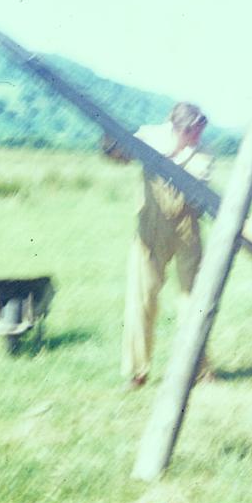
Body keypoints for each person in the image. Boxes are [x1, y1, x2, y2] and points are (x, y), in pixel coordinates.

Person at [101, 102, 214, 390]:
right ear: (181, 128)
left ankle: (198, 369)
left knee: (194, 301)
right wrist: (113, 142)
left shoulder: (203, 153)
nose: (199, 137)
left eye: (201, 132)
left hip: (187, 227)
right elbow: (117, 156)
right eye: (195, 132)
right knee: (141, 299)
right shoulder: (149, 136)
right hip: (150, 228)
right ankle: (137, 372)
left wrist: (163, 157)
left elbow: (195, 179)